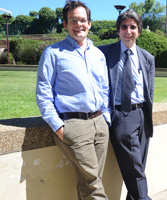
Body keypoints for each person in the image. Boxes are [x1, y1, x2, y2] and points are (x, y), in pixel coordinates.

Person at [36, 1, 110, 199]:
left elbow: (104, 88)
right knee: (94, 184)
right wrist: (58, 127)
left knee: (89, 182)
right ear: (65, 24)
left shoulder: (98, 54)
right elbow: (43, 93)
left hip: (100, 124)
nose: (79, 25)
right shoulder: (53, 53)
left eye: (83, 20)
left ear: (90, 23)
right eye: (73, 20)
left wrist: (107, 119)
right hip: (74, 126)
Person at [98, 9, 155, 200]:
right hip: (121, 115)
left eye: (133, 27)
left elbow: (150, 92)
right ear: (118, 30)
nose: (128, 31)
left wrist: (147, 117)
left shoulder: (147, 58)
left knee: (137, 166)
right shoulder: (104, 53)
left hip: (143, 116)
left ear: (139, 30)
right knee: (135, 168)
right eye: (124, 27)